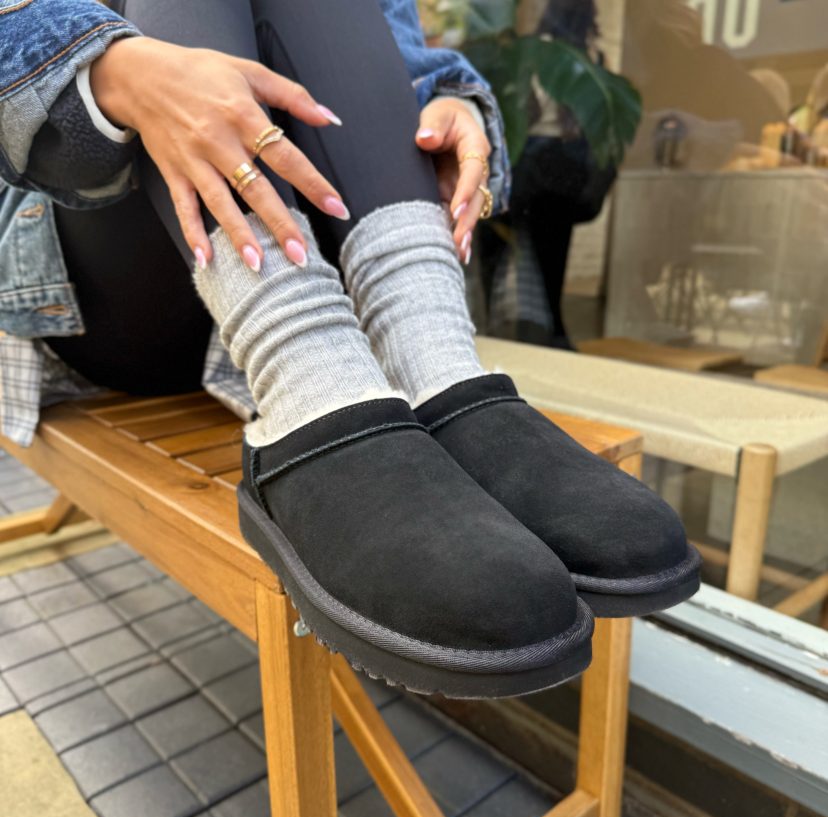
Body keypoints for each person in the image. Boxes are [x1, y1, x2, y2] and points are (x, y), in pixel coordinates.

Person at [0, 0, 698, 698]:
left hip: (304, 265)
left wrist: (446, 105)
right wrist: (120, 71)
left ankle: (434, 365)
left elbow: (387, 48)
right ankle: (309, 378)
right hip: (107, 288)